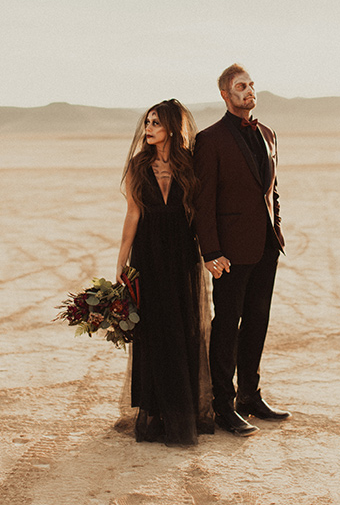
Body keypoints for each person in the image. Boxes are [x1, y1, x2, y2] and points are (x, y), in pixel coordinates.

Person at [193, 64, 290, 436]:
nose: (249, 91)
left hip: (266, 247)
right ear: (225, 94)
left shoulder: (268, 133)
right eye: (240, 86)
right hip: (229, 253)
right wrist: (210, 251)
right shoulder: (211, 139)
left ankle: (250, 395)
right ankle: (222, 404)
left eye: (250, 85)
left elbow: (272, 191)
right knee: (227, 326)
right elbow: (204, 201)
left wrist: (275, 232)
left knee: (257, 321)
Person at [115, 99, 214, 445]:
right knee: (155, 331)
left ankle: (182, 411)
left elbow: (201, 213)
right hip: (149, 254)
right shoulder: (138, 165)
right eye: (147, 123)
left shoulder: (189, 164)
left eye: (156, 123)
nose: (149, 129)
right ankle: (154, 413)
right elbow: (132, 213)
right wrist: (122, 261)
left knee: (183, 327)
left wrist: (211, 255)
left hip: (183, 255)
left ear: (171, 127)